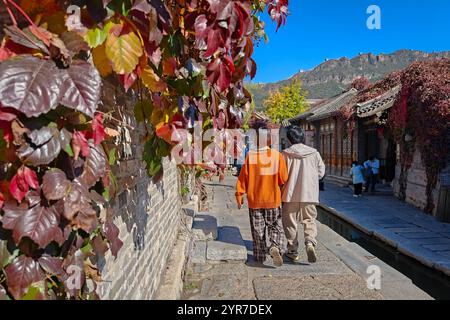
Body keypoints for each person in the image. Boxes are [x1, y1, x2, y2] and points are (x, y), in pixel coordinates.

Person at [235, 120, 288, 267]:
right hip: (272, 199)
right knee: (275, 226)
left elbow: (242, 179)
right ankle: (275, 246)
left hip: (255, 200)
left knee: (258, 229)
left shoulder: (250, 157)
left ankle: (259, 255)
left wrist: (239, 195)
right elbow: (283, 178)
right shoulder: (277, 156)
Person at [281, 126, 325, 263]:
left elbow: (281, 176)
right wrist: (310, 179)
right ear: (303, 137)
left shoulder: (285, 154)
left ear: (289, 139)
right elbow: (321, 173)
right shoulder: (314, 153)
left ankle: (292, 251)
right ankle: (310, 242)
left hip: (290, 194)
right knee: (309, 219)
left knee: (290, 222)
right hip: (309, 194)